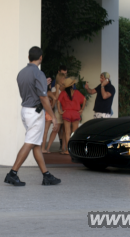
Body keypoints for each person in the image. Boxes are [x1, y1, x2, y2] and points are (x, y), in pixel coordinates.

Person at [5, 46, 61, 187]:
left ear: (29, 57)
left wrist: (43, 83)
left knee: (36, 144)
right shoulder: (39, 73)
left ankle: (46, 175)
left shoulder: (21, 73)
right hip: (35, 113)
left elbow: (30, 88)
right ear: (41, 57)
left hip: (25, 110)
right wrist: (53, 116)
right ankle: (12, 173)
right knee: (30, 142)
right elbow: (43, 97)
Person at [57, 77, 86, 155]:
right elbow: (84, 99)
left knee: (67, 132)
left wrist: (60, 111)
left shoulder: (63, 93)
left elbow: (58, 101)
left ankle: (67, 150)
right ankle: (74, 149)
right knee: (74, 132)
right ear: (72, 85)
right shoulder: (76, 92)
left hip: (66, 113)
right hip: (75, 113)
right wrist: (82, 109)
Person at [44, 73, 66, 153]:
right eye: (63, 78)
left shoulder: (65, 88)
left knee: (64, 130)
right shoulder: (53, 89)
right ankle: (48, 148)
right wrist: (57, 88)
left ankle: (63, 148)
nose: (65, 80)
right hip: (58, 111)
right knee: (56, 130)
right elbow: (56, 98)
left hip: (65, 111)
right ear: (60, 79)